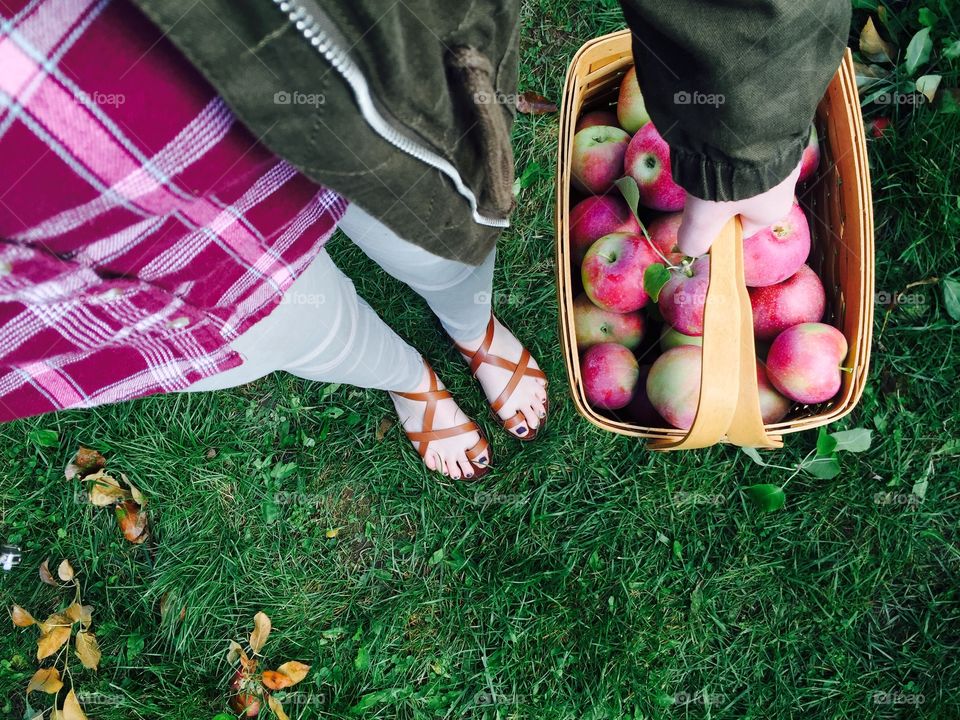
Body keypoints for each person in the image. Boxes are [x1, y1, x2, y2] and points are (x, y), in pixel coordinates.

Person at [0, 0, 850, 479]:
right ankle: (406, 374)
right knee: (235, 306)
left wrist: (742, 131)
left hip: (313, 49)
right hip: (44, 198)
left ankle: (466, 325)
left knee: (414, 183)